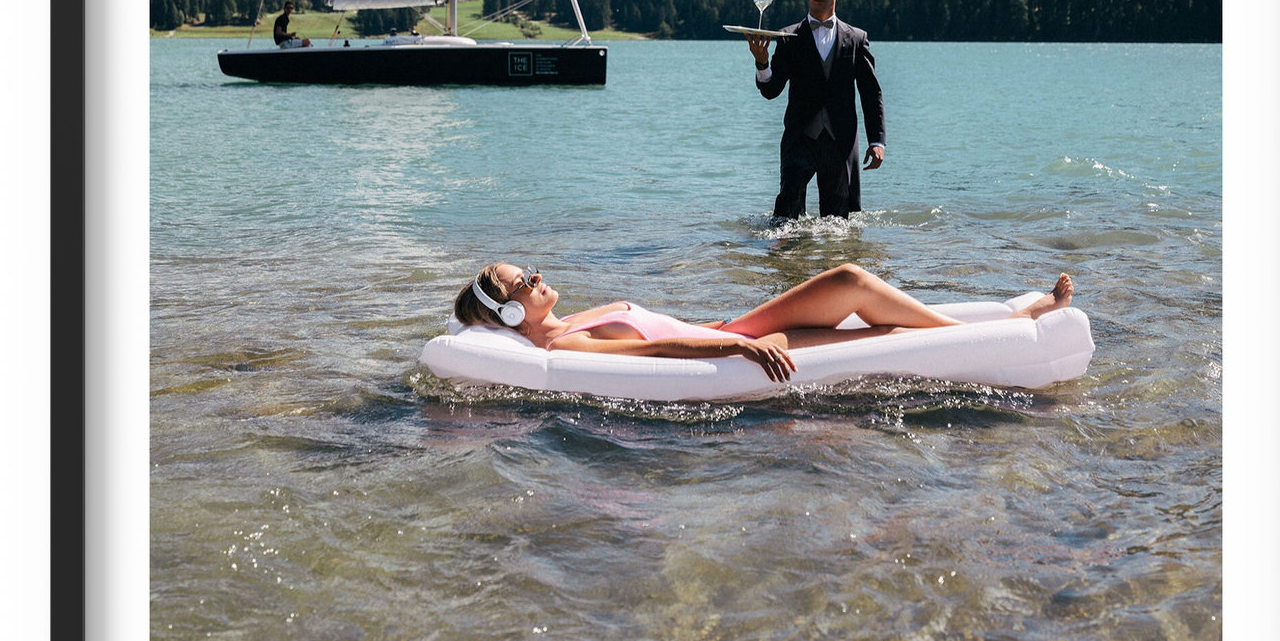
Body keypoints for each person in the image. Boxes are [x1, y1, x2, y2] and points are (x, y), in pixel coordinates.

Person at [453, 261, 1075, 385]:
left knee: (855, 289)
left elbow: (657, 325)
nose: (536, 276)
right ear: (509, 312)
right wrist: (742, 351)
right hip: (738, 345)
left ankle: (1011, 316)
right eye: (521, 283)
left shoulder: (568, 318)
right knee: (856, 294)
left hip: (734, 327)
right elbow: (654, 353)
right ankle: (1018, 321)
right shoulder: (567, 342)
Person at [745, 0, 883, 219]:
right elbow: (771, 90)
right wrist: (762, 62)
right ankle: (787, 260)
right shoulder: (787, 37)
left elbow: (871, 93)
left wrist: (877, 141)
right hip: (799, 140)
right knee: (785, 220)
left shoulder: (856, 38)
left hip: (840, 141)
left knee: (839, 224)